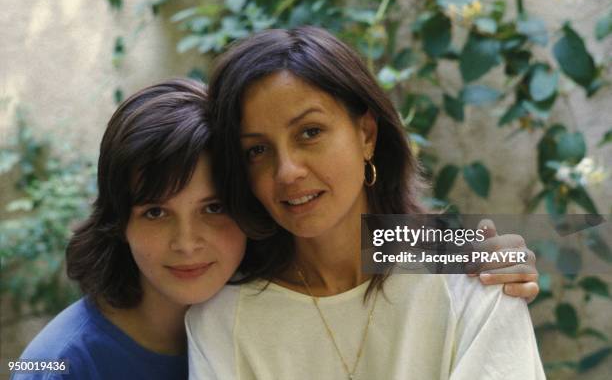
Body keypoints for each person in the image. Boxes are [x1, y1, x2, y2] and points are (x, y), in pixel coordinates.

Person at [186, 27, 545, 379]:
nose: (287, 172)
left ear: (366, 134)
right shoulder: (223, 321)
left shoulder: (473, 279)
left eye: (310, 132)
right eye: (258, 150)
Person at [14, 79, 246, 380]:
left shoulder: (264, 328)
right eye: (156, 212)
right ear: (119, 222)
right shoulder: (57, 365)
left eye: (213, 208)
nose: (187, 243)